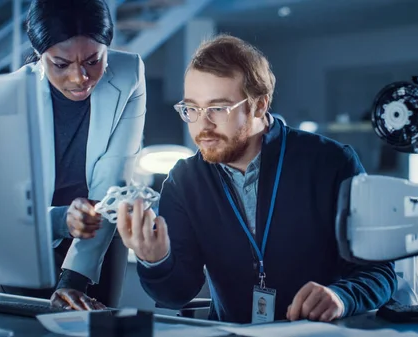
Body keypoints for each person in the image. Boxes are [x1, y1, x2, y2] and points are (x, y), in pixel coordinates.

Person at [115, 34, 396, 324]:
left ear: (259, 105)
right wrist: (155, 259)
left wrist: (342, 296)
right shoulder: (183, 180)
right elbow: (177, 294)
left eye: (218, 108)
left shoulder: (331, 162)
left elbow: (379, 273)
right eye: (192, 109)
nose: (203, 125)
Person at [0, 0, 147, 311]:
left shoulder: (129, 73)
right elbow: (3, 206)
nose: (80, 78)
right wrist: (60, 220)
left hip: (101, 225)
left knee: (97, 327)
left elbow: (113, 173)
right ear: (40, 55)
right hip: (31, 234)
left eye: (94, 61)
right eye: (61, 64)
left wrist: (74, 279)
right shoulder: (7, 98)